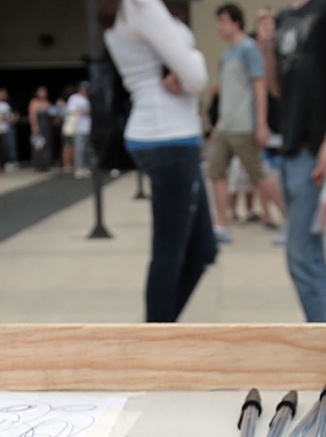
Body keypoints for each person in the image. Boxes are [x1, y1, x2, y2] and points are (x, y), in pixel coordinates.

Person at [102, 0, 215, 322]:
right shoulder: (141, 6)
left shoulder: (123, 11)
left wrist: (181, 66)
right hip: (169, 138)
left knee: (202, 249)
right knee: (170, 253)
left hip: (167, 136)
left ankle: (160, 330)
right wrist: (194, 58)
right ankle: (154, 335)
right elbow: (196, 78)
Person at [262, 0, 326, 321]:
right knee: (308, 252)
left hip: (316, 147)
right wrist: (267, 47)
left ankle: (321, 332)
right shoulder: (287, 17)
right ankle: (322, 327)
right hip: (291, 145)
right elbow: (277, 88)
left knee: (300, 253)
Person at [208, 4, 286, 242]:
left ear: (236, 22)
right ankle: (222, 225)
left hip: (244, 125)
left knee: (259, 175)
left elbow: (260, 87)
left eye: (223, 21)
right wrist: (217, 124)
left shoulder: (249, 50)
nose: (219, 27)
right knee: (216, 173)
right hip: (226, 125)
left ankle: (290, 219)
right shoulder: (227, 55)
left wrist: (261, 124)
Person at [65, 81, 93, 176]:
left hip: (88, 127)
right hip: (78, 128)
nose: (85, 91)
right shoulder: (74, 98)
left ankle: (86, 167)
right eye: (83, 89)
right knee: (80, 149)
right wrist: (82, 111)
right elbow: (70, 111)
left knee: (88, 149)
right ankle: (79, 168)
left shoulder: (88, 98)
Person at [28, 87, 54, 171]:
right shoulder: (34, 102)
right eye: (41, 92)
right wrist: (34, 126)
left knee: (47, 144)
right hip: (39, 125)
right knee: (38, 145)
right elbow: (32, 115)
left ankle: (45, 163)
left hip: (47, 125)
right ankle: (38, 164)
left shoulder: (47, 102)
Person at [0, 89, 18, 171]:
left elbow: (10, 115)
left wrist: (10, 119)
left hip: (7, 127)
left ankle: (12, 161)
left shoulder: (5, 105)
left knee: (10, 145)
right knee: (0, 147)